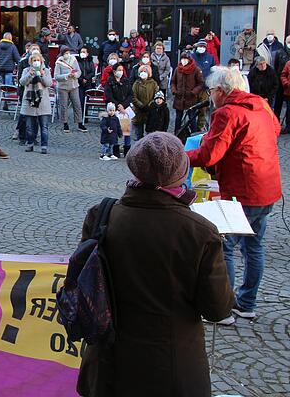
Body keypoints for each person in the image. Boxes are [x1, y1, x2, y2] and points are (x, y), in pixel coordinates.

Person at [77, 131, 233, 396]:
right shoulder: (200, 232)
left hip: (109, 362)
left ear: (135, 169)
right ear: (181, 173)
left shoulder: (101, 215)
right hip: (171, 366)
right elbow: (217, 308)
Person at [187, 66, 281, 322]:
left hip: (243, 190)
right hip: (267, 187)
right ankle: (247, 303)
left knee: (224, 247)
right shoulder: (260, 104)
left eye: (211, 90)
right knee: (254, 246)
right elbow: (274, 130)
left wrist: (178, 157)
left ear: (221, 91)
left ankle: (223, 307)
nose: (210, 95)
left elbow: (209, 155)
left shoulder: (227, 112)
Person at [19, 52, 53, 154]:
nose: (36, 62)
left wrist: (42, 75)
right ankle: (30, 143)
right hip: (30, 101)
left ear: (41, 61)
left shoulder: (46, 71)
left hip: (42, 101)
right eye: (34, 60)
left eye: (38, 60)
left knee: (44, 126)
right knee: (29, 126)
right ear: (31, 62)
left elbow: (48, 83)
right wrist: (30, 74)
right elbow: (22, 82)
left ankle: (44, 146)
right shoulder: (26, 70)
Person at [54, 45, 86, 133]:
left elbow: (79, 71)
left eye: (68, 52)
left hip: (74, 85)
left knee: (77, 104)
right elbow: (56, 76)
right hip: (63, 87)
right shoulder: (59, 62)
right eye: (65, 53)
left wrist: (75, 75)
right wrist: (66, 76)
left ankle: (79, 123)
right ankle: (65, 123)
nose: (67, 54)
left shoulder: (73, 60)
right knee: (63, 106)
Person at [170, 52, 204, 132]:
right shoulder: (178, 69)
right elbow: (173, 82)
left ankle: (193, 135)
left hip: (191, 98)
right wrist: (174, 91)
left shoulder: (196, 69)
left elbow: (201, 83)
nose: (184, 61)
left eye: (186, 59)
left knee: (192, 118)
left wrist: (194, 92)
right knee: (178, 118)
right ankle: (177, 134)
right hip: (179, 97)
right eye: (182, 59)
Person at [131, 65, 159, 140]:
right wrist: (141, 105)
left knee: (149, 134)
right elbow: (133, 96)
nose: (143, 73)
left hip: (150, 111)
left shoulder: (153, 83)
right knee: (139, 134)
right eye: (141, 71)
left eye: (145, 71)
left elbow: (156, 95)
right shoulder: (136, 84)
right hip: (138, 111)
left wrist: (150, 105)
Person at [272, 35, 290, 125]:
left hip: (288, 84)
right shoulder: (280, 52)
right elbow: (276, 66)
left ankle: (288, 124)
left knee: (288, 106)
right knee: (278, 104)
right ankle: (275, 122)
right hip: (280, 82)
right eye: (288, 42)